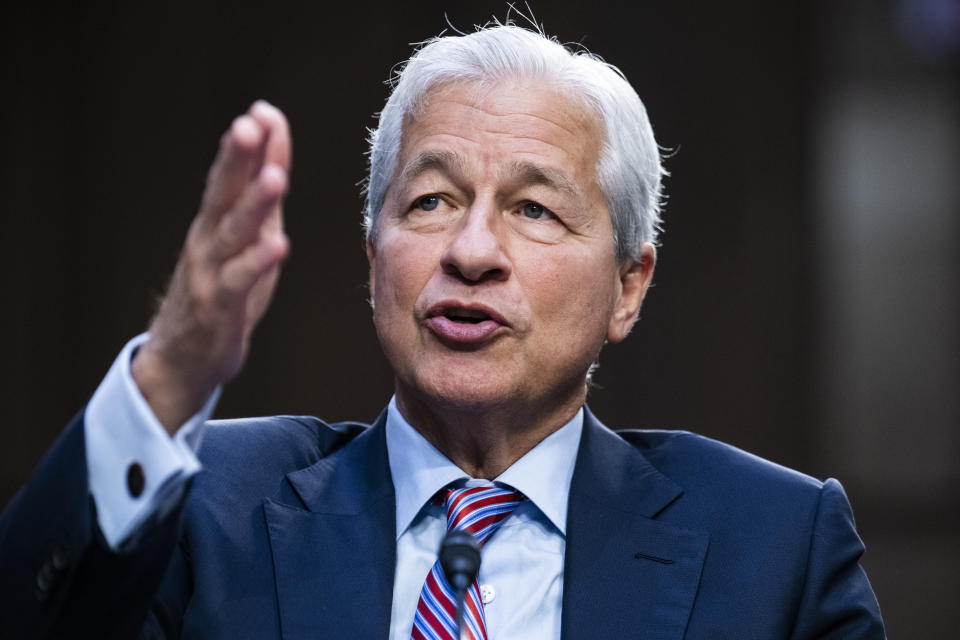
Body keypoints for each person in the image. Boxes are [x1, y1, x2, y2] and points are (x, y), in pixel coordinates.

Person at [0, 23, 885, 639]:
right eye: (432, 201)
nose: (471, 251)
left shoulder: (774, 547)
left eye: (534, 209)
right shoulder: (207, 509)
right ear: (374, 256)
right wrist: (169, 381)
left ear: (628, 286)